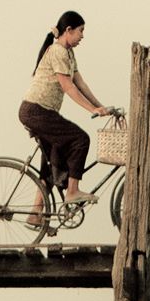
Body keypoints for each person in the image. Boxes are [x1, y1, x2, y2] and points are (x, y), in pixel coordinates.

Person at [21, 11, 114, 211]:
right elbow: (68, 87)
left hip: (42, 112)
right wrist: (92, 109)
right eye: (80, 31)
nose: (82, 36)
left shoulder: (69, 53)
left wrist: (100, 106)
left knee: (52, 160)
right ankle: (72, 191)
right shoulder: (58, 52)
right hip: (36, 111)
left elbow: (80, 83)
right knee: (80, 139)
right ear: (68, 30)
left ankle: (36, 212)